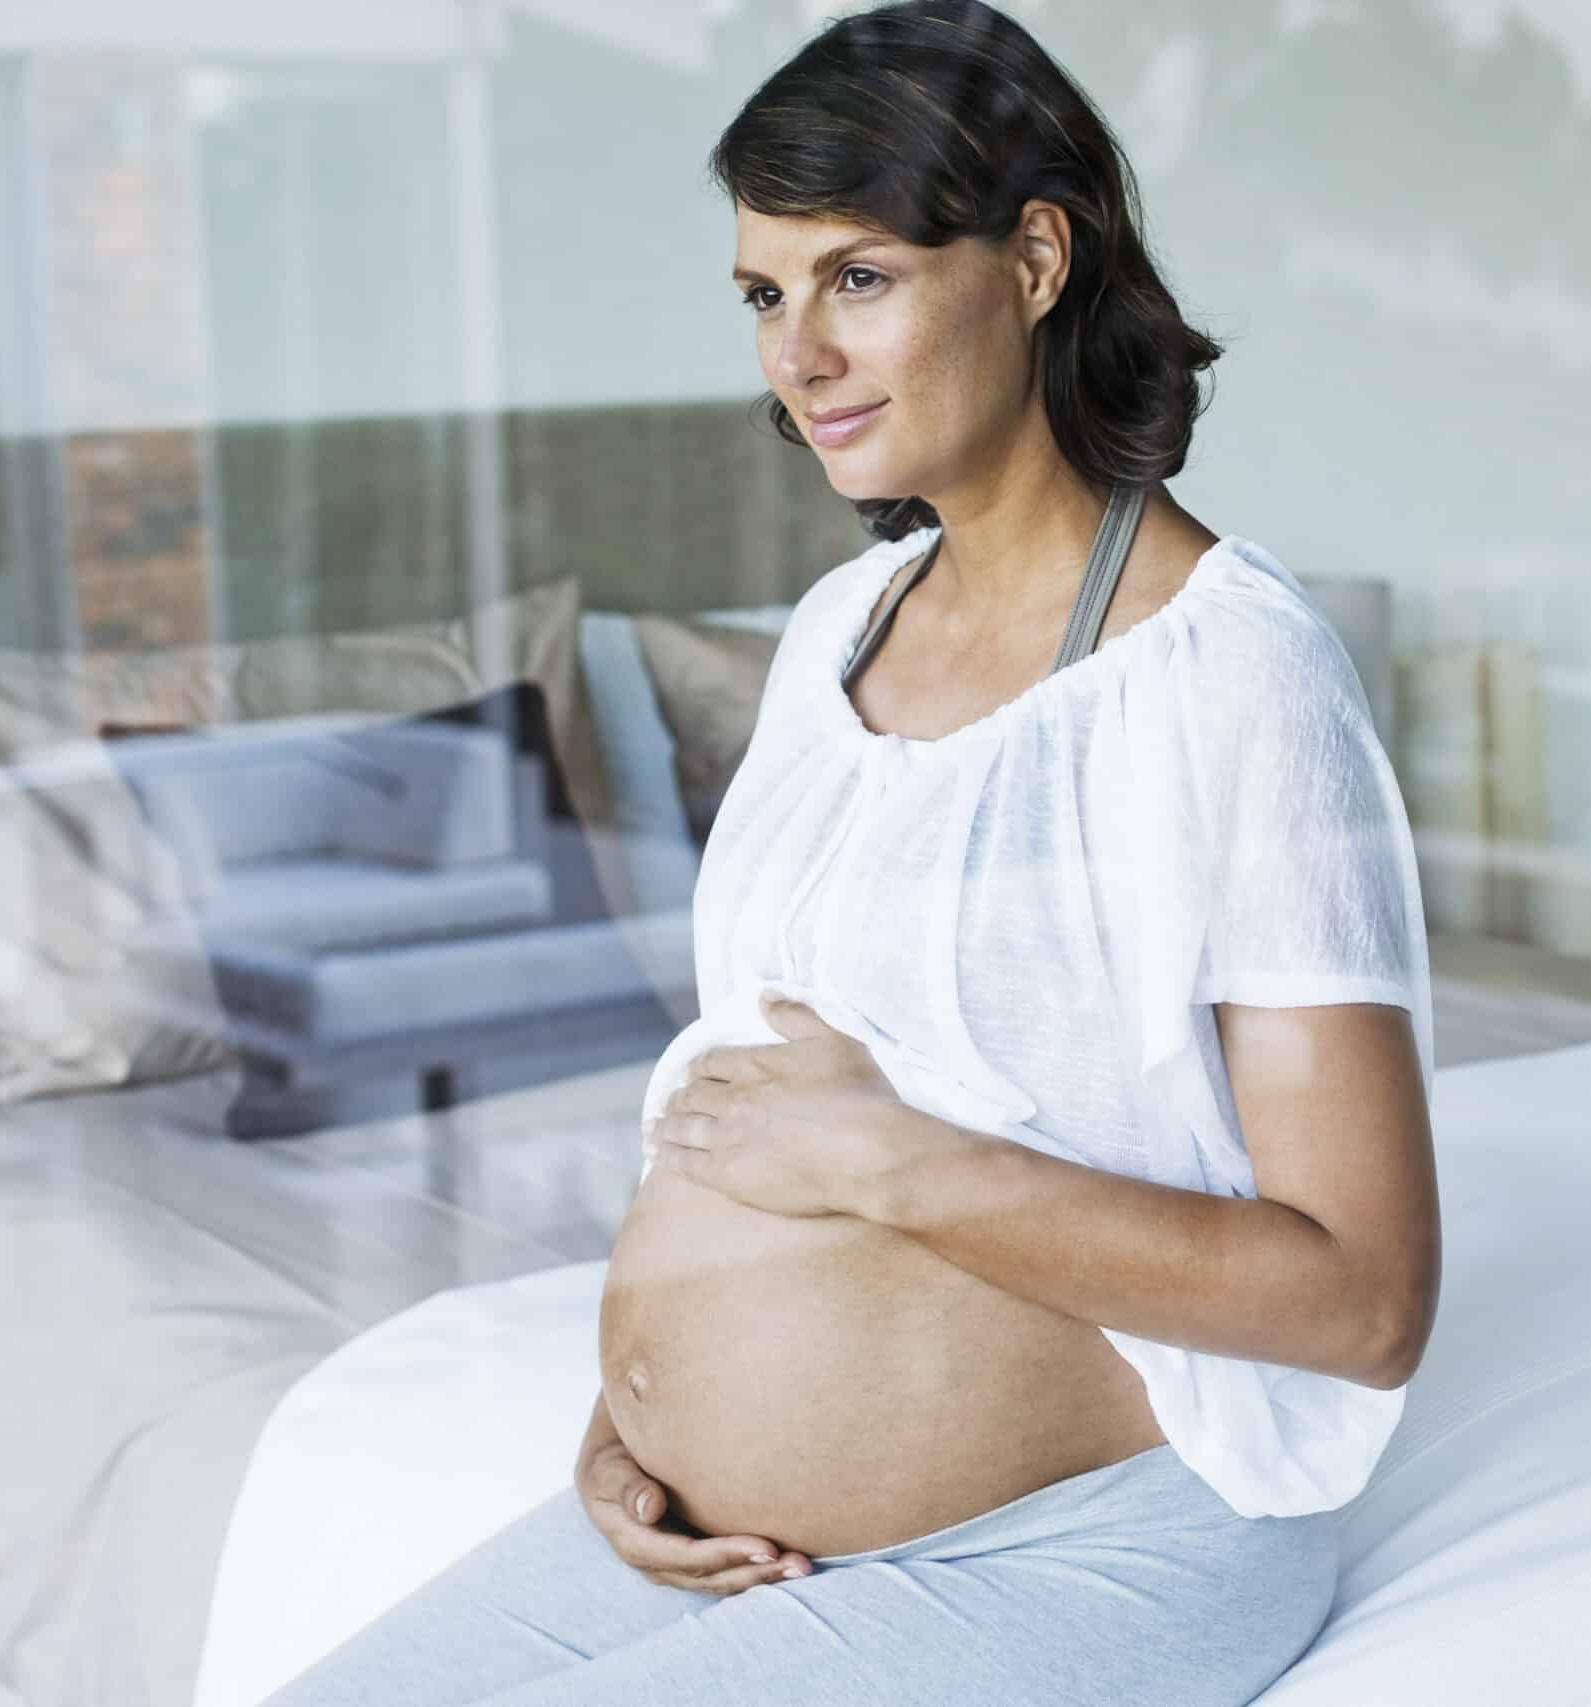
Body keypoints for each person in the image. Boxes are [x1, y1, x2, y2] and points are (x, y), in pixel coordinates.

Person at [265, 4, 1439, 1702]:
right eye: (764, 294)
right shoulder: (836, 633)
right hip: (723, 1532)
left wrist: (897, 1169)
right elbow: (775, 1097)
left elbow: (1363, 1300)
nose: (797, 354)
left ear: (1036, 257)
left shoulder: (1231, 671)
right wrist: (640, 1414)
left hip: (1085, 1540)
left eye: (859, 278)